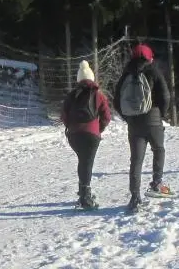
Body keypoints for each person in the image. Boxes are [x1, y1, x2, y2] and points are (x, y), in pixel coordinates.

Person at [114, 43, 171, 213]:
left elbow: (117, 101)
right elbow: (165, 96)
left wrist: (128, 118)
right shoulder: (153, 71)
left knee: (136, 160)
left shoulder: (126, 74)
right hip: (153, 120)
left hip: (134, 124)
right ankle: (156, 183)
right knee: (159, 149)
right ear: (149, 57)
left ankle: (135, 198)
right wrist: (160, 114)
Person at [60, 60, 112, 209]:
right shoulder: (98, 95)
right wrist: (98, 128)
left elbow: (63, 116)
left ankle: (83, 191)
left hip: (74, 135)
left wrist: (72, 127)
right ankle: (85, 197)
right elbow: (107, 117)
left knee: (83, 161)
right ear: (92, 78)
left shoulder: (71, 95)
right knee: (86, 162)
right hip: (91, 135)